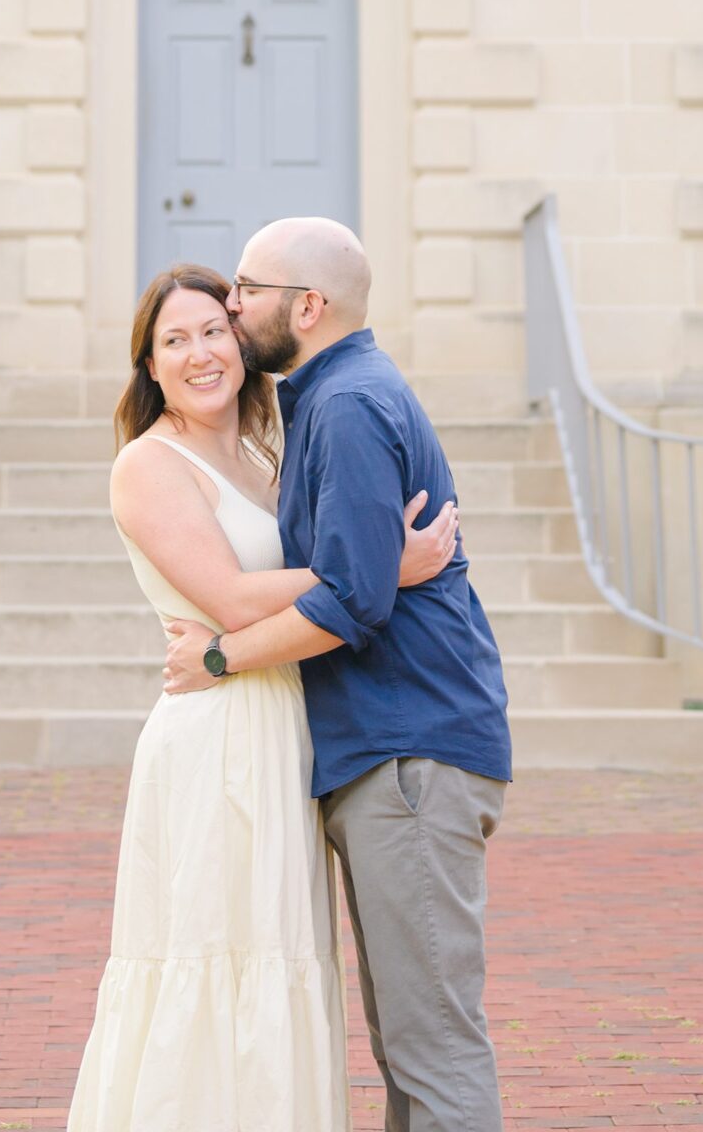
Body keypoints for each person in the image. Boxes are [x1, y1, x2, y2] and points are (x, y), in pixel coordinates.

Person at [66, 261, 458, 1132]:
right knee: (209, 958)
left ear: (242, 343)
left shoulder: (261, 452)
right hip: (215, 734)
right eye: (175, 340)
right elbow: (236, 600)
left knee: (279, 960)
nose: (200, 353)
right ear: (151, 365)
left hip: (283, 722)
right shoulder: (147, 464)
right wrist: (382, 569)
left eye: (215, 331)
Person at [164, 219, 513, 1132]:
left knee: (430, 1042)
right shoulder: (325, 397)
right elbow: (360, 574)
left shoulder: (349, 402)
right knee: (407, 1039)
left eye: (247, 288)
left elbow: (354, 598)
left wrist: (217, 657)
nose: (232, 307)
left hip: (409, 752)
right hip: (391, 754)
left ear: (307, 306)